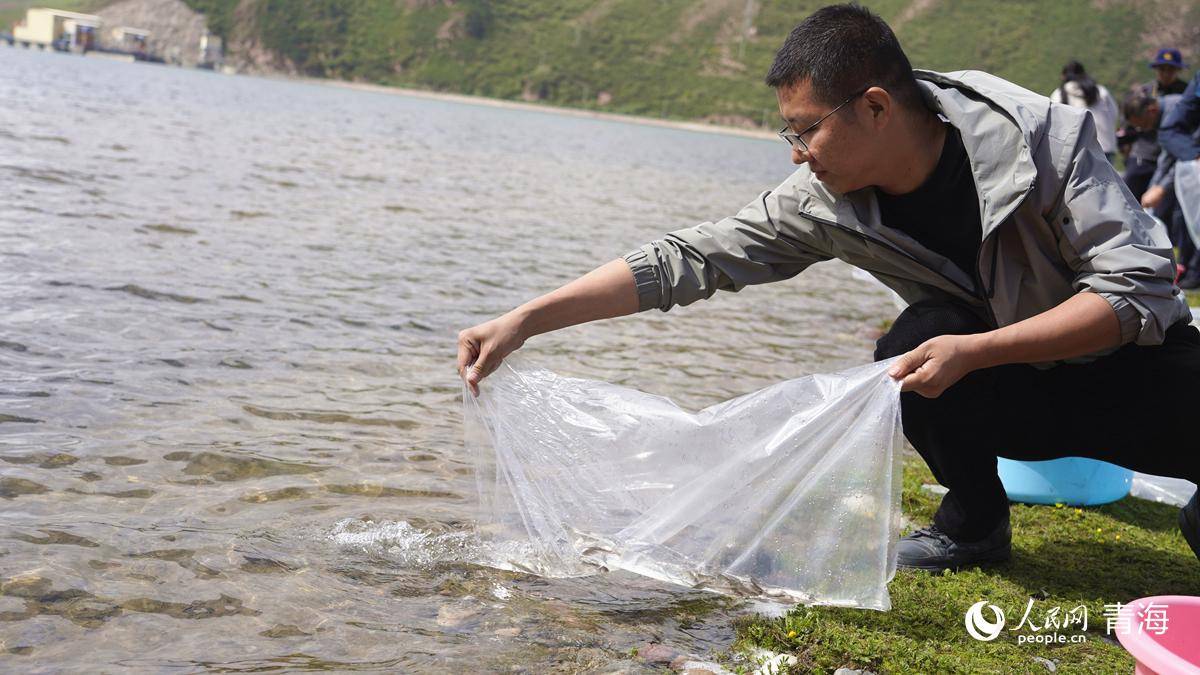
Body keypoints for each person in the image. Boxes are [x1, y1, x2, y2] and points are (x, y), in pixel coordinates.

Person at [457, 4, 1200, 574]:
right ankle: (974, 521)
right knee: (907, 346)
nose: (797, 153)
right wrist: (528, 317)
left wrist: (978, 348)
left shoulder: (1043, 137)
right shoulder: (820, 200)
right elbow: (694, 257)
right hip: (1007, 389)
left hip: (1133, 373)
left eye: (805, 130)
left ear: (876, 107)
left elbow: (1138, 292)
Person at [1121, 49, 1189, 201]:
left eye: (1170, 70)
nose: (1166, 74)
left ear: (1177, 70)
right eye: (1162, 69)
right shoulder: (1145, 92)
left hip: (1174, 152)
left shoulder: (1186, 94)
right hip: (1146, 152)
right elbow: (1129, 121)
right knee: (1128, 194)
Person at [1049, 61, 1119, 162]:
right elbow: (1114, 113)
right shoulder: (1101, 91)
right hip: (1105, 147)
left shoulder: (1059, 94)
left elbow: (1054, 121)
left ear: (1064, 76)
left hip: (1076, 150)